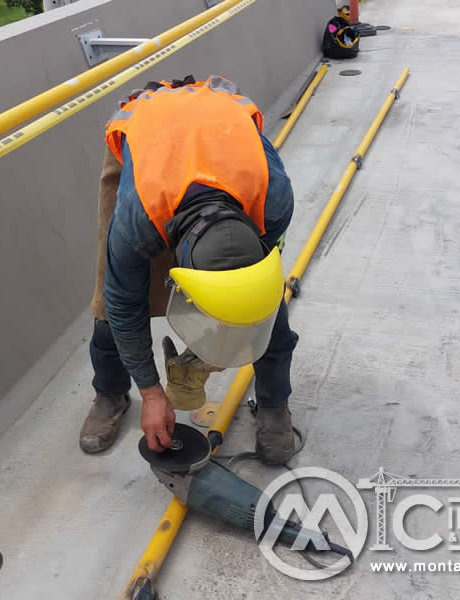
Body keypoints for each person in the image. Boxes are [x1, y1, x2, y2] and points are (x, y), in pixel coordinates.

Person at [80, 75, 298, 465]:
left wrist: (226, 335)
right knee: (107, 305)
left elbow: (249, 298)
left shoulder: (275, 200)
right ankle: (110, 392)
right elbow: (123, 304)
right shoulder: (137, 220)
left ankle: (273, 404)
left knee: (268, 311)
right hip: (144, 123)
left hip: (220, 111)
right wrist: (150, 392)